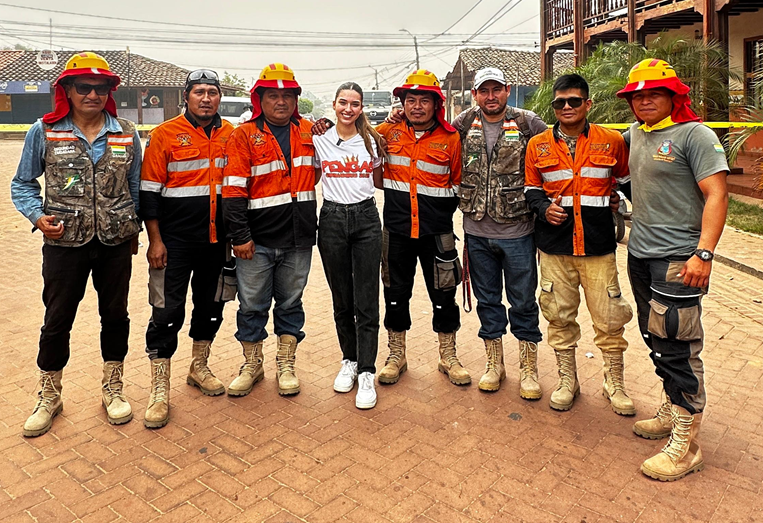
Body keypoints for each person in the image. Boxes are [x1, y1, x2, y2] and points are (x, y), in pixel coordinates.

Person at [10, 52, 142, 436]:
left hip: (116, 241)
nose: (93, 95)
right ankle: (50, 392)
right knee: (57, 319)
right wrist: (37, 216)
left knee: (115, 315)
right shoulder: (45, 131)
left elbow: (134, 187)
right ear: (66, 90)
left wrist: (134, 230)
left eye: (101, 89)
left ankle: (113, 387)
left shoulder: (126, 133)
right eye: (84, 87)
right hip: (64, 242)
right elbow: (22, 183)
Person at [616, 59, 729, 481]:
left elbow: (717, 194)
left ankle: (687, 442)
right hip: (641, 255)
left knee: (679, 343)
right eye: (637, 95)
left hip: (680, 260)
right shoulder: (637, 135)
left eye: (654, 94)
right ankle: (671, 406)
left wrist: (704, 253)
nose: (644, 101)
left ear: (673, 97)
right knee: (654, 336)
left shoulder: (695, 135)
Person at [524, 74, 634, 414]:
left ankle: (613, 382)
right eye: (560, 103)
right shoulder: (538, 145)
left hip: (598, 248)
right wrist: (544, 210)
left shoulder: (613, 141)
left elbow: (628, 184)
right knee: (558, 316)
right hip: (555, 249)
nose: (567, 107)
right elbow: (531, 190)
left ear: (588, 104)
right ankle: (566, 379)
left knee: (610, 318)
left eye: (574, 101)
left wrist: (624, 205)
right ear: (553, 107)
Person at [139, 69, 235, 428]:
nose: (206, 98)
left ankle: (199, 366)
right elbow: (149, 192)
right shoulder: (164, 135)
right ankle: (159, 388)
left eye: (212, 92)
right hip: (174, 243)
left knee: (211, 306)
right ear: (186, 96)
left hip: (217, 241)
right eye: (200, 92)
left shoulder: (232, 135)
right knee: (166, 311)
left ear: (219, 97)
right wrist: (156, 240)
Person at [222, 63, 317, 396]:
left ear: (296, 99)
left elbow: (348, 139)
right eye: (273, 96)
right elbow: (232, 190)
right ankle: (252, 364)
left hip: (298, 238)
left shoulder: (310, 131)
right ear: (259, 99)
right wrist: (240, 236)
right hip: (256, 241)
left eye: (287, 96)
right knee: (251, 305)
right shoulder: (243, 135)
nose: (281, 102)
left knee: (291, 304)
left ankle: (286, 364)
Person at [453, 67, 548, 395]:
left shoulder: (527, 122)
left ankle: (528, 367)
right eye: (484, 91)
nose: (490, 96)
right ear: (475, 94)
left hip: (519, 230)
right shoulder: (464, 122)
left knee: (522, 300)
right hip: (476, 230)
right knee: (487, 299)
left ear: (507, 90)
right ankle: (495, 363)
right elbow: (431, 134)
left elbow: (553, 150)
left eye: (496, 90)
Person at [374, 69, 466, 386]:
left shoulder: (451, 139)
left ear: (435, 104)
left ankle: (448, 356)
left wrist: (440, 213)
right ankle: (396, 355)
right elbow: (355, 132)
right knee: (395, 294)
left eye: (423, 100)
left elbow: (457, 182)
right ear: (402, 103)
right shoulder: (387, 132)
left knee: (444, 294)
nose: (416, 106)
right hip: (396, 232)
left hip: (437, 233)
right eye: (410, 100)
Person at [313, 82, 384, 409]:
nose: (348, 109)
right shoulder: (319, 139)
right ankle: (350, 361)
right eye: (343, 102)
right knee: (341, 297)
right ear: (334, 104)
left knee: (367, 298)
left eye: (355, 104)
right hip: (331, 219)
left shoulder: (373, 141)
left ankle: (368, 371)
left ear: (361, 108)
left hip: (366, 218)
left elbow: (380, 178)